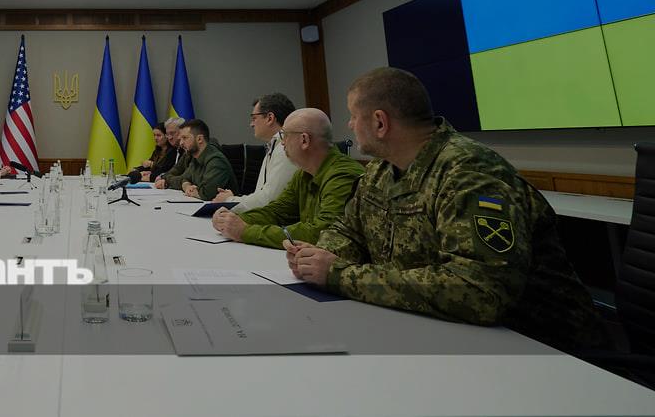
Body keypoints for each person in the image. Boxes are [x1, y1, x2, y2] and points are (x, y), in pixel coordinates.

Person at [285, 67, 603, 352]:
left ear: (380, 122)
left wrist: (339, 274)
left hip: (539, 348)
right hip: (438, 332)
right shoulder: (381, 171)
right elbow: (348, 230)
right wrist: (317, 256)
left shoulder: (469, 173)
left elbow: (478, 290)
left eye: (354, 116)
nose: (350, 124)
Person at [213, 108, 362, 247]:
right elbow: (277, 212)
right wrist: (233, 219)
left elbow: (322, 233)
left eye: (285, 136)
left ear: (304, 140)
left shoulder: (343, 175)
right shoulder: (303, 174)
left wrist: (245, 231)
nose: (283, 143)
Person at [213, 92, 298, 211]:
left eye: (254, 118)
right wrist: (234, 198)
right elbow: (261, 195)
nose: (251, 124)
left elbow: (269, 201)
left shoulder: (286, 149)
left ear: (270, 118)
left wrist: (229, 200)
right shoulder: (274, 146)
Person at [162, 119, 236, 201]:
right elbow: (184, 178)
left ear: (199, 139)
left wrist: (194, 190)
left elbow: (206, 193)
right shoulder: (196, 158)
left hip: (223, 207)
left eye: (185, 138)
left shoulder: (216, 161)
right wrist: (186, 185)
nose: (181, 143)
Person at [152, 117, 186, 186]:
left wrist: (166, 180)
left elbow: (185, 176)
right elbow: (174, 170)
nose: (170, 138)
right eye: (167, 134)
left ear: (182, 132)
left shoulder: (187, 151)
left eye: (172, 133)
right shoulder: (176, 150)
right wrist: (162, 176)